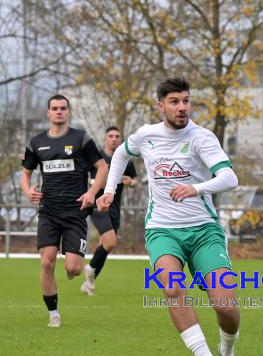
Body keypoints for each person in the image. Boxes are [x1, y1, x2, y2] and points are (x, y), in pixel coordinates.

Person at [96, 77, 239, 356]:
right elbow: (121, 155)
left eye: (186, 101)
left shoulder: (201, 137)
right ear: (160, 105)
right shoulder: (146, 135)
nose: (182, 107)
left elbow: (229, 177)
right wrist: (110, 191)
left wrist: (195, 188)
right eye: (174, 102)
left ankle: (227, 348)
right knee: (173, 290)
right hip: (162, 230)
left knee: (225, 306)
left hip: (204, 232)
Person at [21, 94, 108, 328]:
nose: (59, 112)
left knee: (73, 268)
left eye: (63, 108)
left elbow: (102, 167)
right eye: (54, 108)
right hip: (48, 211)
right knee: (47, 263)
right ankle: (53, 314)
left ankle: (72, 262)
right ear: (48, 113)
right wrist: (28, 191)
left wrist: (92, 193)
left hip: (75, 213)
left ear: (68, 112)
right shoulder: (36, 142)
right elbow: (26, 173)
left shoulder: (81, 139)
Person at [80, 126, 138, 296]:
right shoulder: (97, 158)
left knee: (105, 245)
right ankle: (90, 268)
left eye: (117, 136)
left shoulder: (125, 159)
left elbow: (135, 181)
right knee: (110, 241)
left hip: (115, 208)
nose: (114, 139)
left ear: (121, 139)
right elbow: (86, 178)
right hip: (98, 205)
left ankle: (89, 282)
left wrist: (130, 182)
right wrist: (97, 184)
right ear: (105, 138)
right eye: (111, 136)